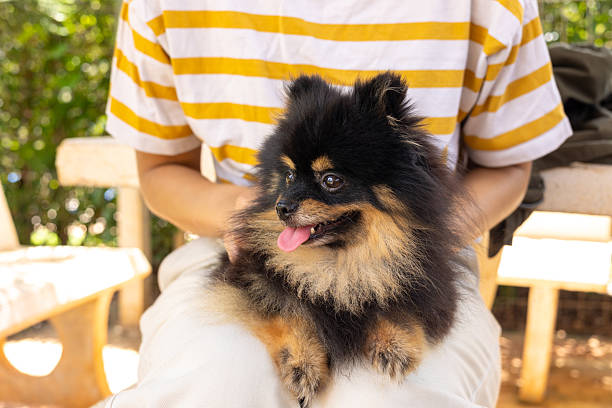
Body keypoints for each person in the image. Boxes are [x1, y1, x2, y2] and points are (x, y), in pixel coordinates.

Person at [97, 0, 572, 406]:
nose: (292, 199)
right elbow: (160, 168)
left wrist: (422, 236)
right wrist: (241, 211)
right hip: (232, 242)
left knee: (393, 394)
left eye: (330, 180)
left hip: (424, 247)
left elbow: (510, 166)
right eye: (291, 177)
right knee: (214, 380)